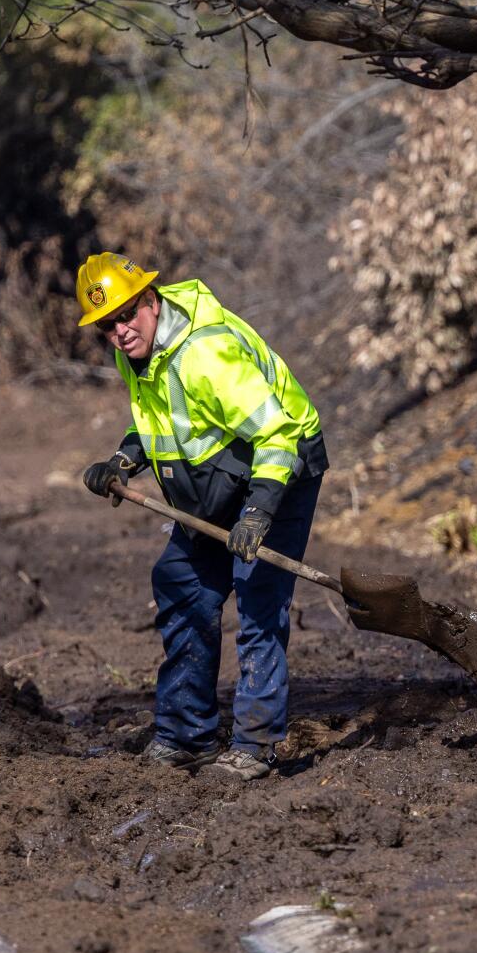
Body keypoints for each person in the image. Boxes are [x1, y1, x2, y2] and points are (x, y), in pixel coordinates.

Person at [77, 252, 328, 782]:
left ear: (151, 299)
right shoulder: (138, 356)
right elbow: (161, 421)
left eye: (127, 315)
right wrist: (125, 458)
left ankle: (256, 747)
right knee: (182, 584)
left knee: (258, 599)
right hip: (213, 479)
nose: (119, 331)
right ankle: (186, 736)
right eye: (107, 325)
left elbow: (277, 433)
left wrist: (259, 512)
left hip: (279, 468)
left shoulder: (205, 353)